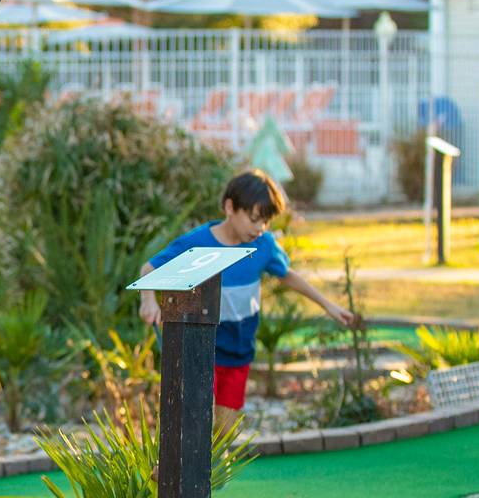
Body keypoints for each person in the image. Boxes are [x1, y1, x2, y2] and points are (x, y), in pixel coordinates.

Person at [139, 169, 357, 433]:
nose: (260, 228)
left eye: (265, 221)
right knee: (194, 428)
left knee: (224, 434)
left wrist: (328, 306)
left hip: (239, 350)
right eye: (254, 219)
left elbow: (286, 274)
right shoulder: (199, 242)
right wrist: (148, 300)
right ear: (230, 207)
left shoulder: (263, 245)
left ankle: (210, 473)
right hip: (202, 351)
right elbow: (149, 269)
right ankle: (172, 471)